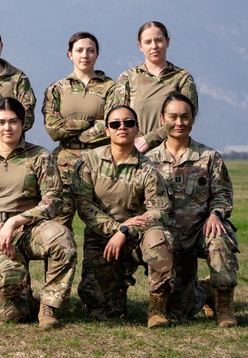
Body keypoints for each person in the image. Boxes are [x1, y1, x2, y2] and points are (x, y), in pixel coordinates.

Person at [0, 98, 76, 329]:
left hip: (31, 228)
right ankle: (26, 301)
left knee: (63, 240)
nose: (7, 128)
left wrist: (17, 220)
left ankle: (48, 307)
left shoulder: (39, 156)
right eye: (1, 122)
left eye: (13, 122)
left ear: (23, 124)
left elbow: (53, 199)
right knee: (9, 317)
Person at [71, 105, 174, 328]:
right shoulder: (89, 162)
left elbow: (160, 210)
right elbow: (84, 206)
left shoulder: (147, 169)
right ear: (106, 130)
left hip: (138, 237)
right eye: (115, 124)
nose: (122, 128)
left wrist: (127, 230)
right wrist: (116, 230)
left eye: (129, 123)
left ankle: (157, 308)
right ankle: (116, 292)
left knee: (159, 239)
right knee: (102, 310)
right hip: (103, 238)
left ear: (137, 129)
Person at [147, 94, 239, 327]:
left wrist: (216, 214)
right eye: (173, 117)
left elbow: (223, 193)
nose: (179, 122)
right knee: (180, 312)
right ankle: (179, 299)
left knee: (220, 237)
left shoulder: (209, 157)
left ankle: (224, 307)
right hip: (166, 236)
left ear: (193, 119)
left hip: (200, 230)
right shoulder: (148, 160)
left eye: (185, 117)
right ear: (162, 119)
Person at [41, 32, 117, 225]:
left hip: (100, 163)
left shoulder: (112, 88)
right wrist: (91, 123)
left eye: (90, 51)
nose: (85, 55)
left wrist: (72, 128)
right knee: (58, 223)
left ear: (97, 55)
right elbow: (53, 129)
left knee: (103, 223)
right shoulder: (57, 89)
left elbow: (113, 127)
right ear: (70, 54)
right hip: (63, 166)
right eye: (79, 50)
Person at [112, 21, 198, 153]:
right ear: (140, 46)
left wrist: (149, 139)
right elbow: (118, 117)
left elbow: (188, 116)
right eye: (148, 42)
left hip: (172, 152)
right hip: (135, 152)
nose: (154, 46)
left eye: (158, 40)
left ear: (167, 42)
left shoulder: (182, 78)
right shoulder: (128, 78)